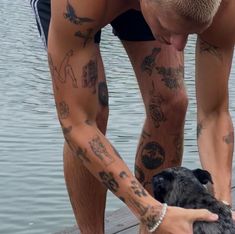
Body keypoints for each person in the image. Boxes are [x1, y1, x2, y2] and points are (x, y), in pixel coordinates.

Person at [30, 0, 235, 233]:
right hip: (88, 8)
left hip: (155, 8)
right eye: (172, 30)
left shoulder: (225, 6)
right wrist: (149, 211)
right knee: (94, 113)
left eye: (190, 33)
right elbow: (77, 122)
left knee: (171, 103)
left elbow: (214, 113)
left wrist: (222, 207)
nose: (180, 45)